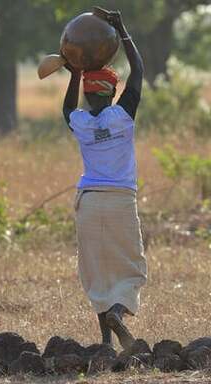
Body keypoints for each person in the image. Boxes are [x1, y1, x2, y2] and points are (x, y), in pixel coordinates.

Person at [62, 10, 147, 350]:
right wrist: (122, 29)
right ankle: (117, 311)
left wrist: (74, 72)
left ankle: (105, 343)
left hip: (89, 201)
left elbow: (66, 109)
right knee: (131, 269)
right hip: (119, 201)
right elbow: (139, 71)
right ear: (112, 92)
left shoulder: (80, 122)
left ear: (86, 94)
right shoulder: (122, 116)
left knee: (96, 272)